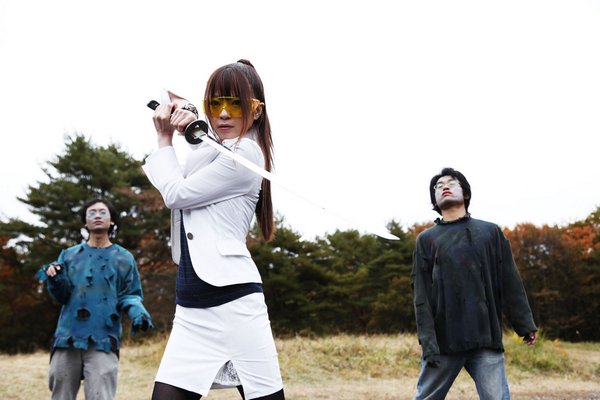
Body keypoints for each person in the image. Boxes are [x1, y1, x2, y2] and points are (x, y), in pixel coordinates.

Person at [143, 59, 285, 400]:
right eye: (215, 103)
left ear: (256, 110)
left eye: (234, 104)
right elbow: (199, 150)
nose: (222, 113)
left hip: (234, 303)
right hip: (191, 305)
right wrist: (189, 115)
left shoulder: (247, 154)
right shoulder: (217, 148)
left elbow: (176, 193)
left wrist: (164, 138)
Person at [411, 167, 537, 400]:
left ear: (466, 193)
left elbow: (509, 279)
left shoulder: (490, 232)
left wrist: (524, 323)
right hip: (444, 341)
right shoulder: (426, 240)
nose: (444, 187)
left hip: (485, 336)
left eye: (451, 183)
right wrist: (428, 341)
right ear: (435, 200)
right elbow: (421, 295)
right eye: (438, 186)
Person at [36, 198, 153, 400]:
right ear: (85, 222)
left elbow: (129, 294)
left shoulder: (124, 258)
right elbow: (61, 296)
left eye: (102, 212)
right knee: (61, 394)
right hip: (68, 336)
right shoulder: (69, 255)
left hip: (104, 339)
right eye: (91, 213)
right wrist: (55, 278)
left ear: (112, 221)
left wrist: (138, 313)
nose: (97, 216)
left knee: (101, 396)